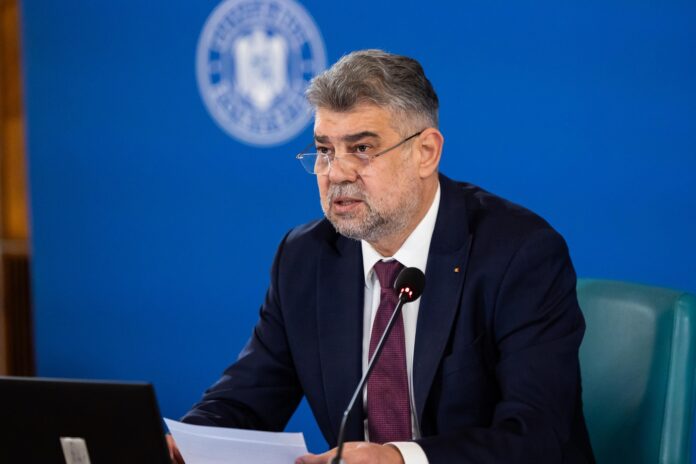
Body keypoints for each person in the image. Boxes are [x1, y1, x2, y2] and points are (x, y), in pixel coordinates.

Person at [168, 49, 595, 464]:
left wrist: (399, 459)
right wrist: (183, 446)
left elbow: (535, 436)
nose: (336, 173)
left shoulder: (519, 254)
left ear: (425, 153)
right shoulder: (305, 259)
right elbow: (245, 402)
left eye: (361, 148)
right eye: (324, 150)